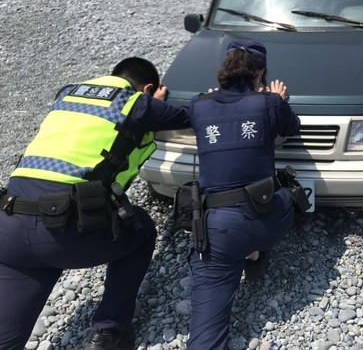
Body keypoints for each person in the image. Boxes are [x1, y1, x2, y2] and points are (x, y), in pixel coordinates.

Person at [0, 57, 191, 350]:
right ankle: (108, 331)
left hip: (8, 227)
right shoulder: (137, 103)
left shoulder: (67, 92)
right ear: (149, 88)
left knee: (8, 335)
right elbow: (192, 115)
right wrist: (155, 103)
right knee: (141, 231)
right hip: (63, 233)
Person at [186, 40, 299, 350]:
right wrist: (277, 99)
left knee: (206, 331)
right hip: (268, 219)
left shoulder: (199, 105)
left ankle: (247, 253)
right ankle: (254, 252)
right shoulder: (268, 103)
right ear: (259, 72)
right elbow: (293, 127)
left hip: (218, 228)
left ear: (225, 70)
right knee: (290, 193)